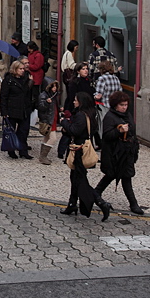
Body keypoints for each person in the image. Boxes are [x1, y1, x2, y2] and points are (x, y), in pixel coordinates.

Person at [60, 93, 112, 221]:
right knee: (75, 177)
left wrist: (64, 123)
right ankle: (72, 204)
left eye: (76, 100)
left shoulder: (81, 115)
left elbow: (75, 131)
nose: (73, 102)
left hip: (79, 151)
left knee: (80, 180)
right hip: (83, 148)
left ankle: (101, 203)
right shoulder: (91, 114)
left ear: (81, 102)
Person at [95, 91, 144, 215]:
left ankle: (133, 204)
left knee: (126, 177)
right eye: (122, 105)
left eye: (126, 105)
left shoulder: (127, 115)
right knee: (111, 175)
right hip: (114, 154)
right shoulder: (110, 117)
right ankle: (95, 194)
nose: (124, 107)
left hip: (126, 153)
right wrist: (119, 131)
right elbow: (106, 135)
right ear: (115, 105)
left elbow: (133, 131)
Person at [0, 60, 34, 160]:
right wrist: (4, 112)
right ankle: (11, 150)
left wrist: (30, 83)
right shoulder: (8, 80)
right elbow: (3, 97)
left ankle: (23, 151)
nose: (23, 71)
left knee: (23, 132)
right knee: (11, 131)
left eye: (23, 69)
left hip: (24, 110)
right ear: (15, 69)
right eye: (20, 69)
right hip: (12, 110)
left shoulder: (26, 79)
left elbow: (27, 94)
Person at [37, 81, 60, 165]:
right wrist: (47, 103)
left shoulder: (53, 95)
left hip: (52, 119)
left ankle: (42, 156)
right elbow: (40, 107)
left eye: (55, 86)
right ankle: (43, 156)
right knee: (53, 138)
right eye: (53, 86)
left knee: (47, 137)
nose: (55, 88)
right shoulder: (44, 95)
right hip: (48, 120)